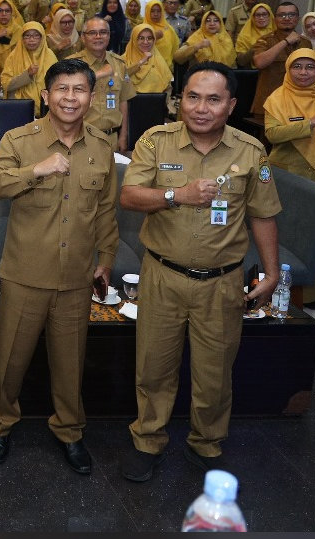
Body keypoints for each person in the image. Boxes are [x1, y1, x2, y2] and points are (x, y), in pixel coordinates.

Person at [119, 62, 281, 482]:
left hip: (223, 282)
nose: (201, 108)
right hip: (163, 275)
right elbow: (130, 196)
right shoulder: (156, 141)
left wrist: (270, 273)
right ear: (180, 100)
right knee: (153, 368)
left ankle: (207, 443)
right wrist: (178, 195)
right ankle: (147, 440)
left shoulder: (251, 151)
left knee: (214, 373)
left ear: (231, 104)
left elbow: (263, 215)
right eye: (192, 97)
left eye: (213, 99)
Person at [0, 58, 118, 473]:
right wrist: (35, 170)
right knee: (10, 360)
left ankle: (70, 432)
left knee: (71, 362)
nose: (70, 98)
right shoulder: (21, 140)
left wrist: (106, 260)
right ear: (46, 96)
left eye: (79, 90)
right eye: (62, 89)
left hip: (76, 276)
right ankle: (0, 425)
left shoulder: (101, 147)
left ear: (91, 98)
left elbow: (106, 213)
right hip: (25, 273)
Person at [263, 48, 315, 309]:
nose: (303, 72)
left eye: (310, 67)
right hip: (288, 177)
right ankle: (278, 290)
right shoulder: (277, 98)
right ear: (288, 69)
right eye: (297, 66)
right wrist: (310, 123)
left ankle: (310, 294)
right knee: (288, 236)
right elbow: (273, 135)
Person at [72, 16, 134, 153]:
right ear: (83, 37)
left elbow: (123, 101)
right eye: (92, 33)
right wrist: (98, 74)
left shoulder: (119, 64)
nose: (98, 37)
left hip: (111, 138)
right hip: (80, 138)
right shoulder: (71, 64)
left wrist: (123, 137)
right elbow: (68, 94)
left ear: (109, 36)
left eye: (103, 32)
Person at [250, 2, 310, 116]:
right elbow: (260, 62)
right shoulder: (265, 40)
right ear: (274, 19)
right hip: (269, 101)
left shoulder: (305, 42)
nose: (286, 18)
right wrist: (286, 41)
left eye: (291, 15)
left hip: (297, 102)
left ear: (298, 18)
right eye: (282, 15)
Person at [0, 22, 57, 118]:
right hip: (18, 109)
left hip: (47, 111)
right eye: (27, 36)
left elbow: (57, 84)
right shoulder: (13, 57)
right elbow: (6, 85)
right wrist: (27, 75)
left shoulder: (50, 56)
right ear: (22, 38)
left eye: (36, 36)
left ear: (42, 38)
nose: (31, 40)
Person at [124, 23, 174, 96]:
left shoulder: (158, 59)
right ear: (134, 39)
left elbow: (168, 87)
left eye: (149, 38)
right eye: (141, 38)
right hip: (130, 103)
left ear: (154, 40)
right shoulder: (124, 59)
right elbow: (120, 78)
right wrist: (142, 61)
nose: (145, 42)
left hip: (157, 103)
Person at [232, 2, 271, 69]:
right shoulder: (245, 34)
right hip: (252, 71)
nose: (261, 18)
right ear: (253, 17)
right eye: (258, 15)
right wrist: (254, 48)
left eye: (264, 14)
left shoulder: (277, 32)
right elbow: (240, 61)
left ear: (270, 16)